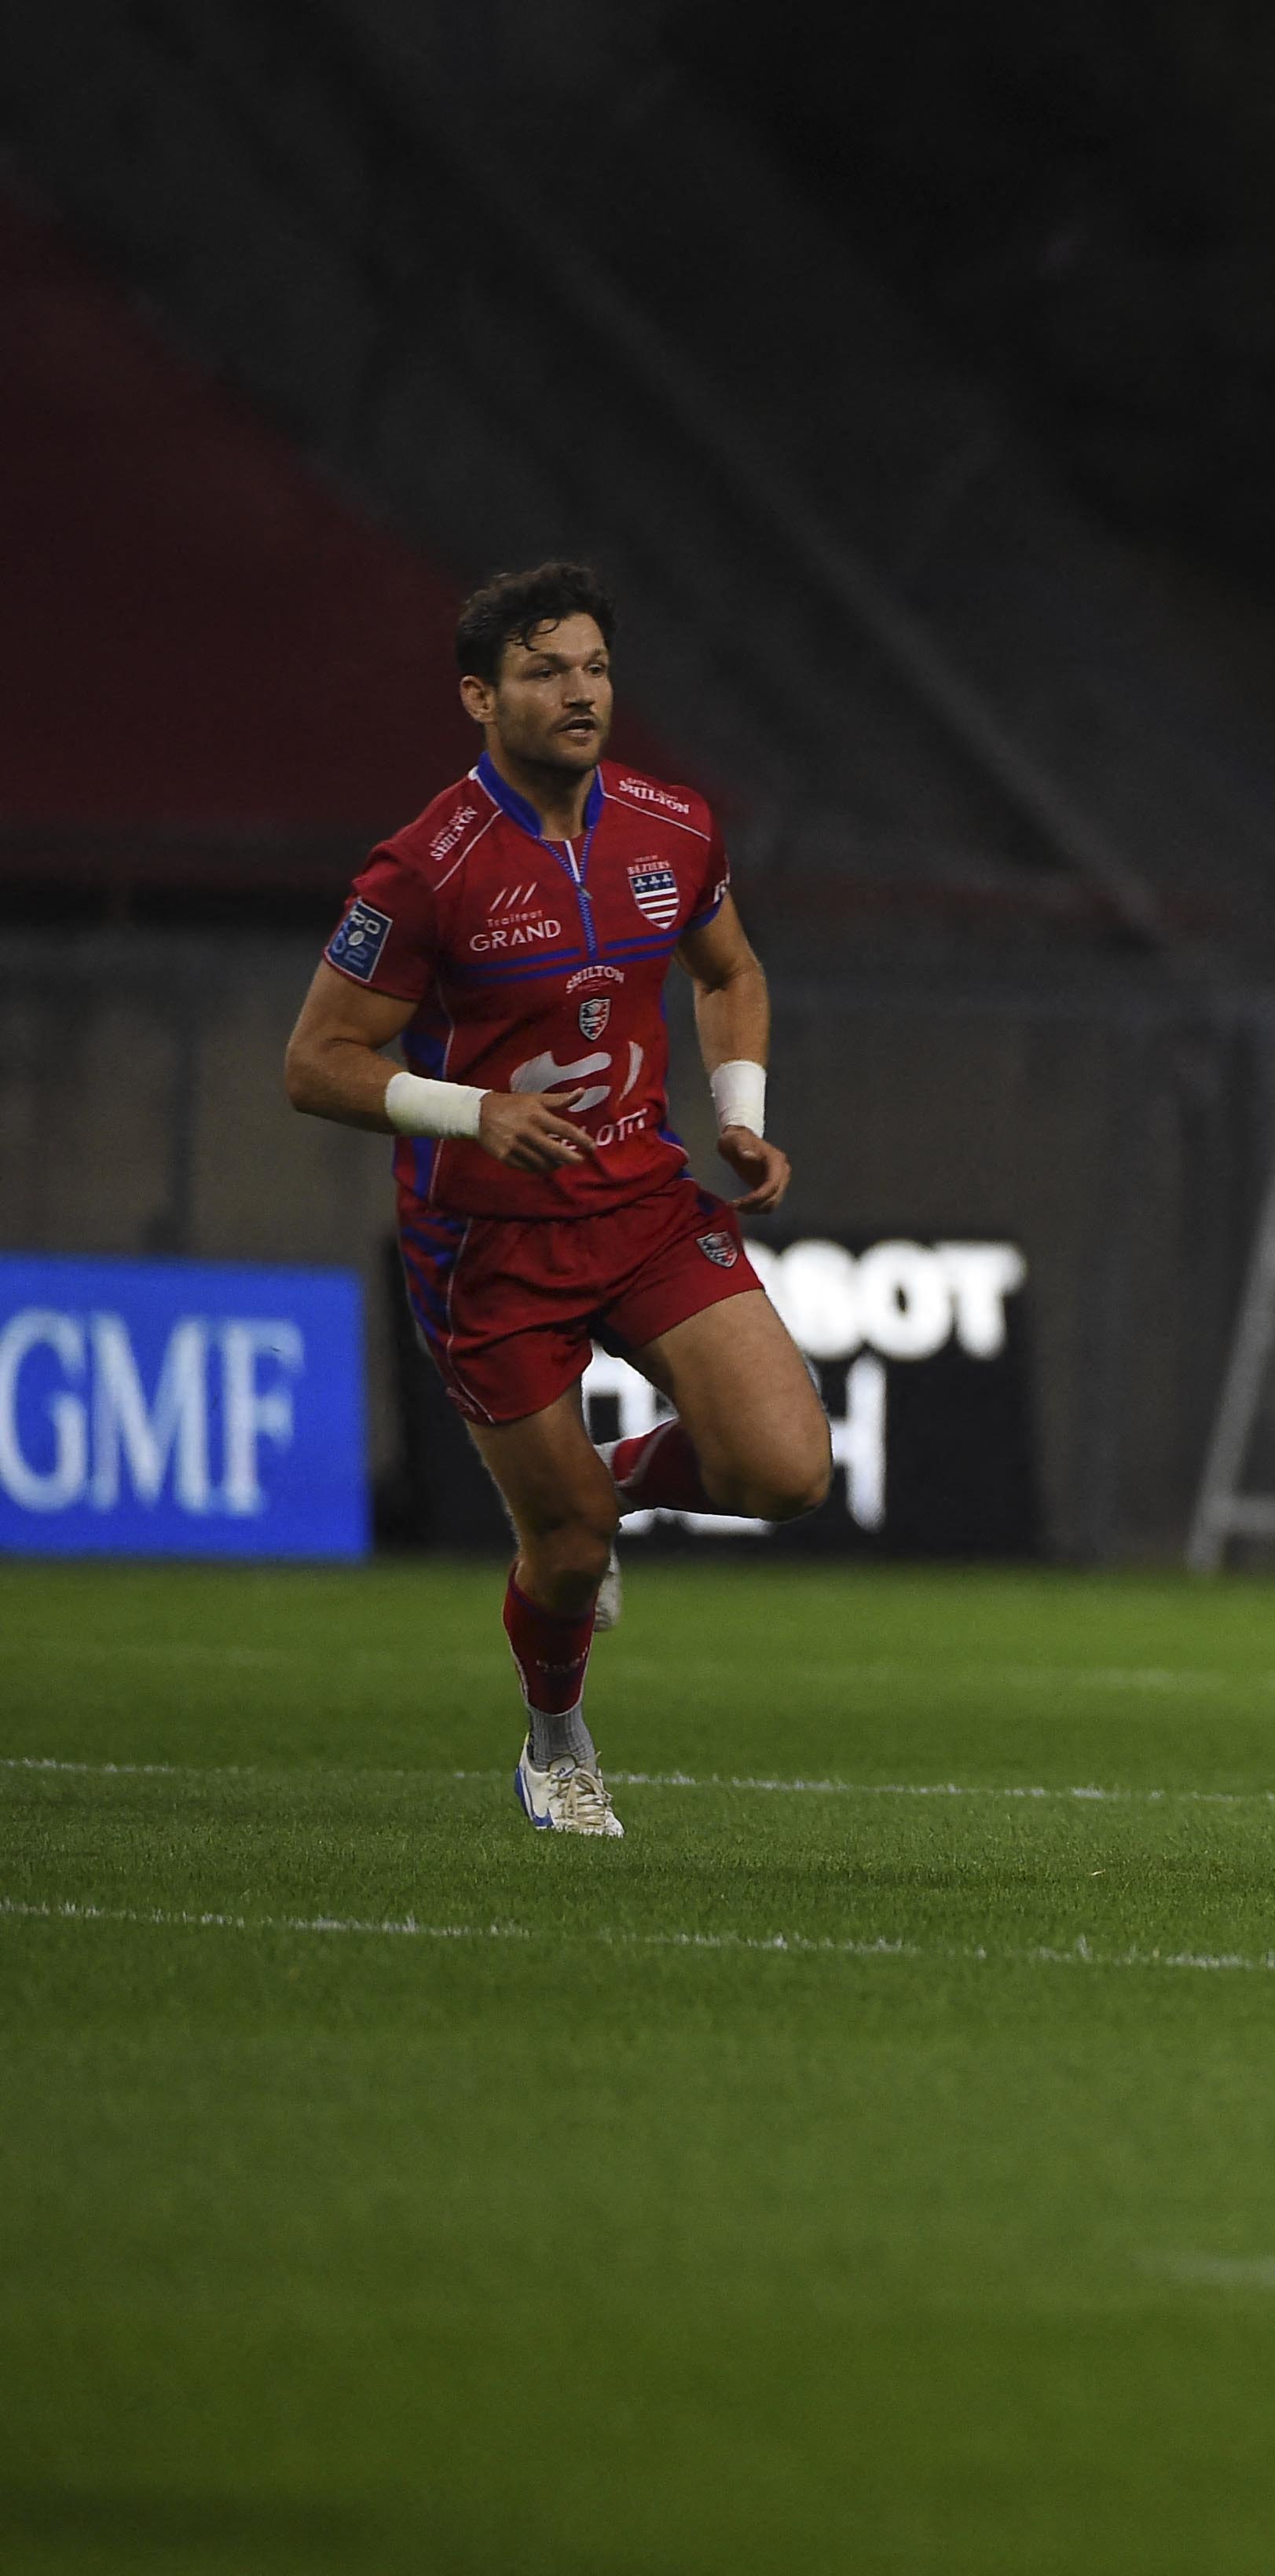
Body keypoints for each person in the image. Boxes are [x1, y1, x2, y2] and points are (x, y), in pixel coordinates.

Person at [280, 563, 831, 1836]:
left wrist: (739, 1116)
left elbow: (729, 968)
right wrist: (474, 1112)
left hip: (640, 1201)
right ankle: (556, 1744)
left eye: (593, 668)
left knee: (787, 1471)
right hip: (488, 1243)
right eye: (544, 672)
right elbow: (315, 1066)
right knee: (568, 1550)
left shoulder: (672, 823)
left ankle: (609, 1483)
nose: (580, 694)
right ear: (480, 696)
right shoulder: (421, 872)